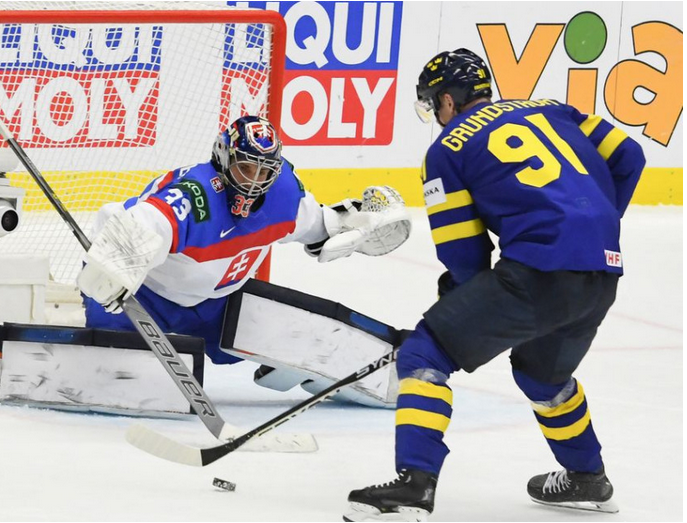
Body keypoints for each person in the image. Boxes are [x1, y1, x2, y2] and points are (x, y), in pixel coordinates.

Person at [344, 49, 646, 522]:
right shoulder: (552, 108)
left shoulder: (446, 149)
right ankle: (588, 478)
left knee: (424, 356)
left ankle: (414, 486)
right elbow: (630, 155)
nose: (434, 116)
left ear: (447, 100)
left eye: (432, 105)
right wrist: (596, 224)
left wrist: (461, 301)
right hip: (602, 270)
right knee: (540, 376)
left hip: (538, 274)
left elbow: (465, 254)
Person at [77, 115, 410, 365]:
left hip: (218, 305)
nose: (255, 182)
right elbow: (129, 221)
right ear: (224, 159)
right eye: (246, 168)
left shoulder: (282, 196)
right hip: (148, 300)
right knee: (116, 367)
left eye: (264, 172)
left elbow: (322, 226)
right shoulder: (196, 197)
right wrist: (113, 269)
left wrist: (356, 223)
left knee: (292, 337)